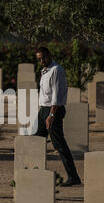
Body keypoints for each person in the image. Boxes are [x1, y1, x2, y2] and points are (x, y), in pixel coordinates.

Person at [34, 47, 82, 187]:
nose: (42, 61)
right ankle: (34, 173)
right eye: (39, 59)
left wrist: (51, 115)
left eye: (43, 58)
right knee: (36, 141)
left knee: (59, 144)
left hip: (52, 111)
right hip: (43, 110)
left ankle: (73, 177)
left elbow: (56, 95)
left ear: (49, 55)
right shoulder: (45, 71)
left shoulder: (56, 70)